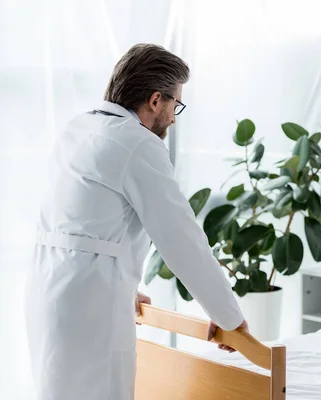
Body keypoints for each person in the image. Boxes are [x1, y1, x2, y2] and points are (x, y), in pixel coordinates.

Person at [24, 43, 248, 400]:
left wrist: (122, 288)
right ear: (155, 100)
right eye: (176, 104)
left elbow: (85, 225)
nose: (174, 117)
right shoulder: (137, 143)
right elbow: (182, 240)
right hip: (91, 309)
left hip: (49, 294)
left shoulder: (78, 128)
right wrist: (229, 316)